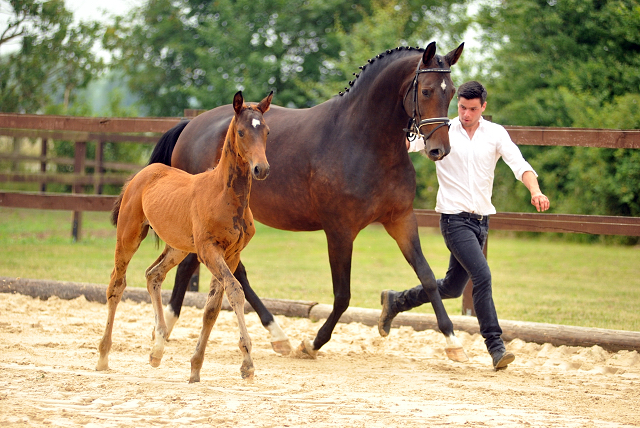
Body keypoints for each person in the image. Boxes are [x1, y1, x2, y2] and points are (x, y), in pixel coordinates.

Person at [380, 80, 550, 370]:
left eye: (472, 109)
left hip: (481, 223)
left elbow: (519, 164)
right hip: (454, 220)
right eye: (462, 107)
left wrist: (535, 190)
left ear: (483, 107)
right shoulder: (442, 129)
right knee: (482, 276)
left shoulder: (495, 134)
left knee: (452, 288)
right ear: (456, 104)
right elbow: (407, 143)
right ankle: (495, 347)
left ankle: (396, 301)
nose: (466, 114)